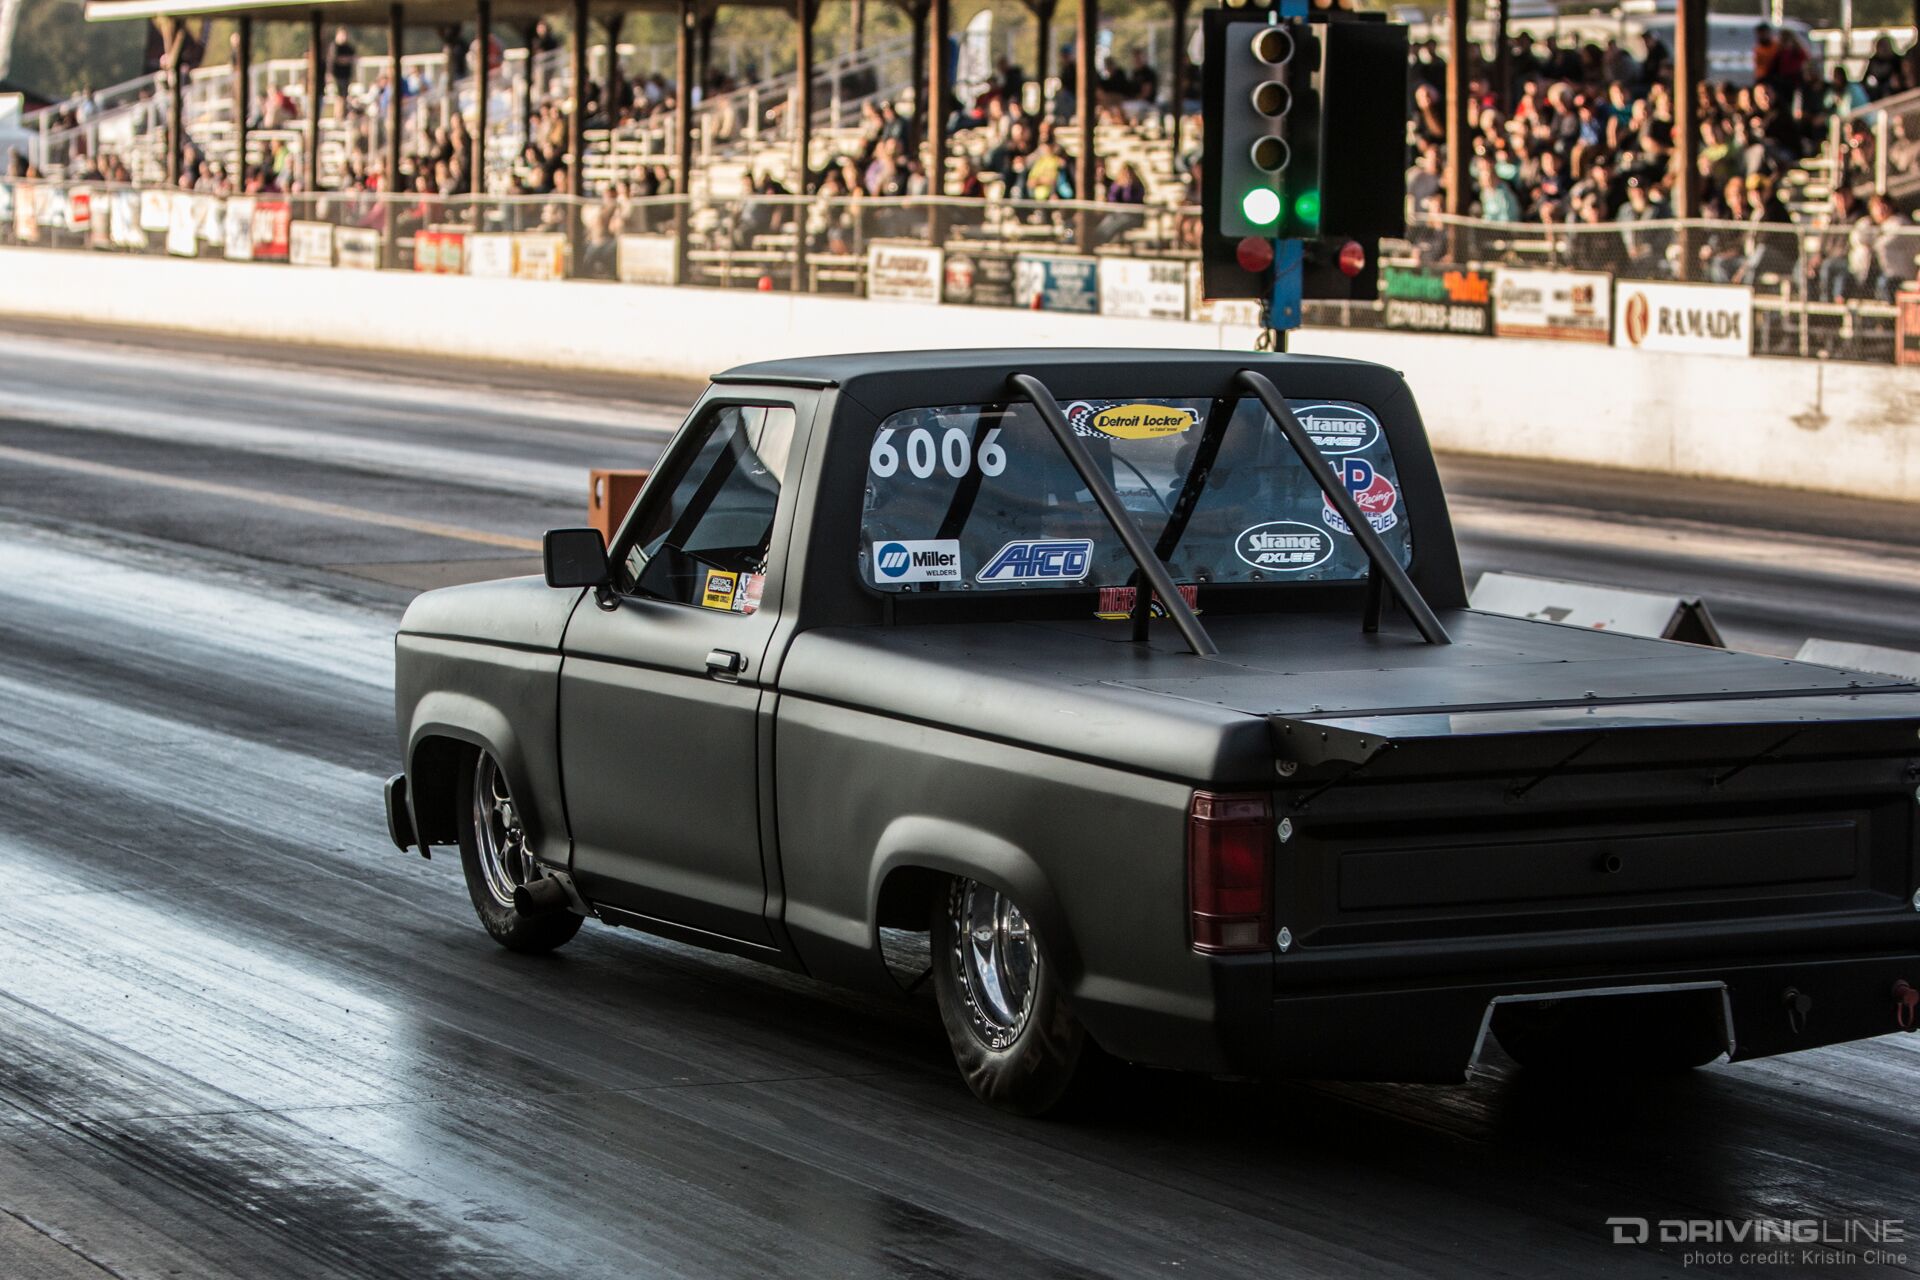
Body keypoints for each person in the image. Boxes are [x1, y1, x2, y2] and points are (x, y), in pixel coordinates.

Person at [327, 28, 356, 121]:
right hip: (337, 75)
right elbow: (335, 59)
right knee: (339, 96)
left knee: (344, 95)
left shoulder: (348, 47)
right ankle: (338, 115)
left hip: (346, 75)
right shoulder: (334, 46)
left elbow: (353, 57)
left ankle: (342, 115)